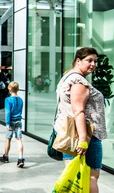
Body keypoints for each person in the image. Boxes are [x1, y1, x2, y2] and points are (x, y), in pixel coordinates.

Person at [53, 47, 107, 193]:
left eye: (95, 61)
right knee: (91, 177)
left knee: (76, 178)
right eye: (89, 60)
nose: (93, 64)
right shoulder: (78, 82)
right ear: (78, 61)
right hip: (86, 136)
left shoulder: (67, 76)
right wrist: (83, 140)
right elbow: (78, 111)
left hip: (71, 135)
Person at [0, 81, 25, 168]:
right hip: (18, 121)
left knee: (8, 139)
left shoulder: (8, 100)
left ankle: (6, 156)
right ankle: (20, 158)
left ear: (10, 89)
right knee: (19, 139)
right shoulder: (21, 100)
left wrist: (7, 123)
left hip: (11, 121)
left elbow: (8, 112)